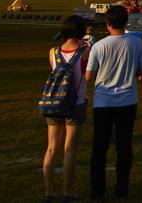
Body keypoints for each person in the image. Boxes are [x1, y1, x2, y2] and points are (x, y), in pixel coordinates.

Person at [86, 5, 142, 202]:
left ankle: (97, 191)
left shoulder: (99, 46)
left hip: (102, 102)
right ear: (126, 22)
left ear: (107, 23)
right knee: (124, 146)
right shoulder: (136, 43)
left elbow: (89, 75)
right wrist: (131, 74)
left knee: (99, 148)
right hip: (127, 101)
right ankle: (122, 189)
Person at [43, 15, 89, 202]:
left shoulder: (53, 52)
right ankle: (67, 191)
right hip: (75, 103)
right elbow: (88, 75)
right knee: (69, 149)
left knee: (52, 149)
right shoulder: (86, 51)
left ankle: (49, 192)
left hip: (54, 103)